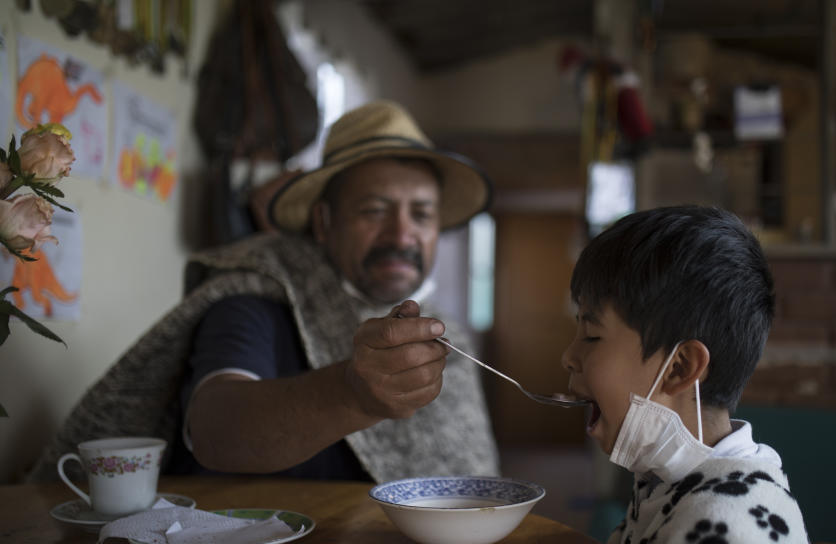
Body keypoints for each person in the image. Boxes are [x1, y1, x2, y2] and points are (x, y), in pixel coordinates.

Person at [28, 100, 499, 483]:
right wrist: (352, 392)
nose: (402, 235)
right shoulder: (258, 295)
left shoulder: (445, 335)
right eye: (375, 211)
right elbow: (215, 431)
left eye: (421, 215)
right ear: (324, 222)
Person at [560, 205, 832, 544]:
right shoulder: (671, 478)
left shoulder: (725, 533)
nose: (568, 356)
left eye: (591, 335)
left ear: (679, 367)